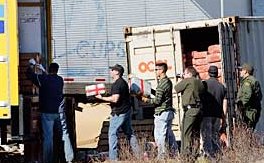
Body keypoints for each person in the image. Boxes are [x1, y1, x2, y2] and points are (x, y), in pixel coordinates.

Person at [27, 61, 74, 163]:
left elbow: (30, 76)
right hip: (59, 113)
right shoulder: (60, 80)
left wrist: (31, 65)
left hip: (47, 112)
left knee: (48, 137)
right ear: (57, 70)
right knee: (64, 134)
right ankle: (69, 158)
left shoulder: (43, 79)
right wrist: (44, 71)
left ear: (49, 70)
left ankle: (48, 160)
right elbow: (49, 79)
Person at [95, 64, 140, 161]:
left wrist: (101, 98)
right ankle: (138, 155)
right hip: (126, 111)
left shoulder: (117, 84)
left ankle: (113, 159)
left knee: (112, 134)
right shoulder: (122, 82)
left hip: (119, 113)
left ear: (117, 72)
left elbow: (115, 99)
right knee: (129, 133)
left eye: (112, 70)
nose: (110, 71)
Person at [141, 62, 178, 159]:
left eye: (156, 70)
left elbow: (157, 101)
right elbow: (160, 94)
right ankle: (175, 153)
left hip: (162, 113)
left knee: (160, 135)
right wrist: (150, 91)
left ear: (161, 70)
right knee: (169, 134)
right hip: (168, 111)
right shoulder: (167, 81)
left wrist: (145, 99)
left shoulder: (162, 83)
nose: (155, 71)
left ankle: (161, 156)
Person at [174, 66, 204, 158]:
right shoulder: (200, 82)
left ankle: (185, 155)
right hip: (199, 110)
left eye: (185, 73)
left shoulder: (188, 80)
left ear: (190, 74)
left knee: (186, 133)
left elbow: (176, 88)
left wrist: (182, 79)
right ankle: (195, 153)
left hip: (190, 110)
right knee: (196, 133)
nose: (183, 75)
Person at [201, 65, 227, 158]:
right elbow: (225, 103)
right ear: (217, 74)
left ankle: (209, 156)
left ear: (208, 73)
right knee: (215, 136)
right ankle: (217, 155)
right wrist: (223, 117)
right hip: (217, 115)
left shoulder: (204, 84)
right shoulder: (222, 87)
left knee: (207, 136)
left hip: (206, 115)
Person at [237, 63, 262, 130]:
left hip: (248, 112)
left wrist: (240, 105)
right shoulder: (253, 80)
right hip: (253, 111)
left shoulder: (247, 82)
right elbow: (260, 97)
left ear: (245, 71)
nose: (240, 72)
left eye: (241, 70)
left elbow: (247, 96)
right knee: (250, 130)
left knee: (247, 131)